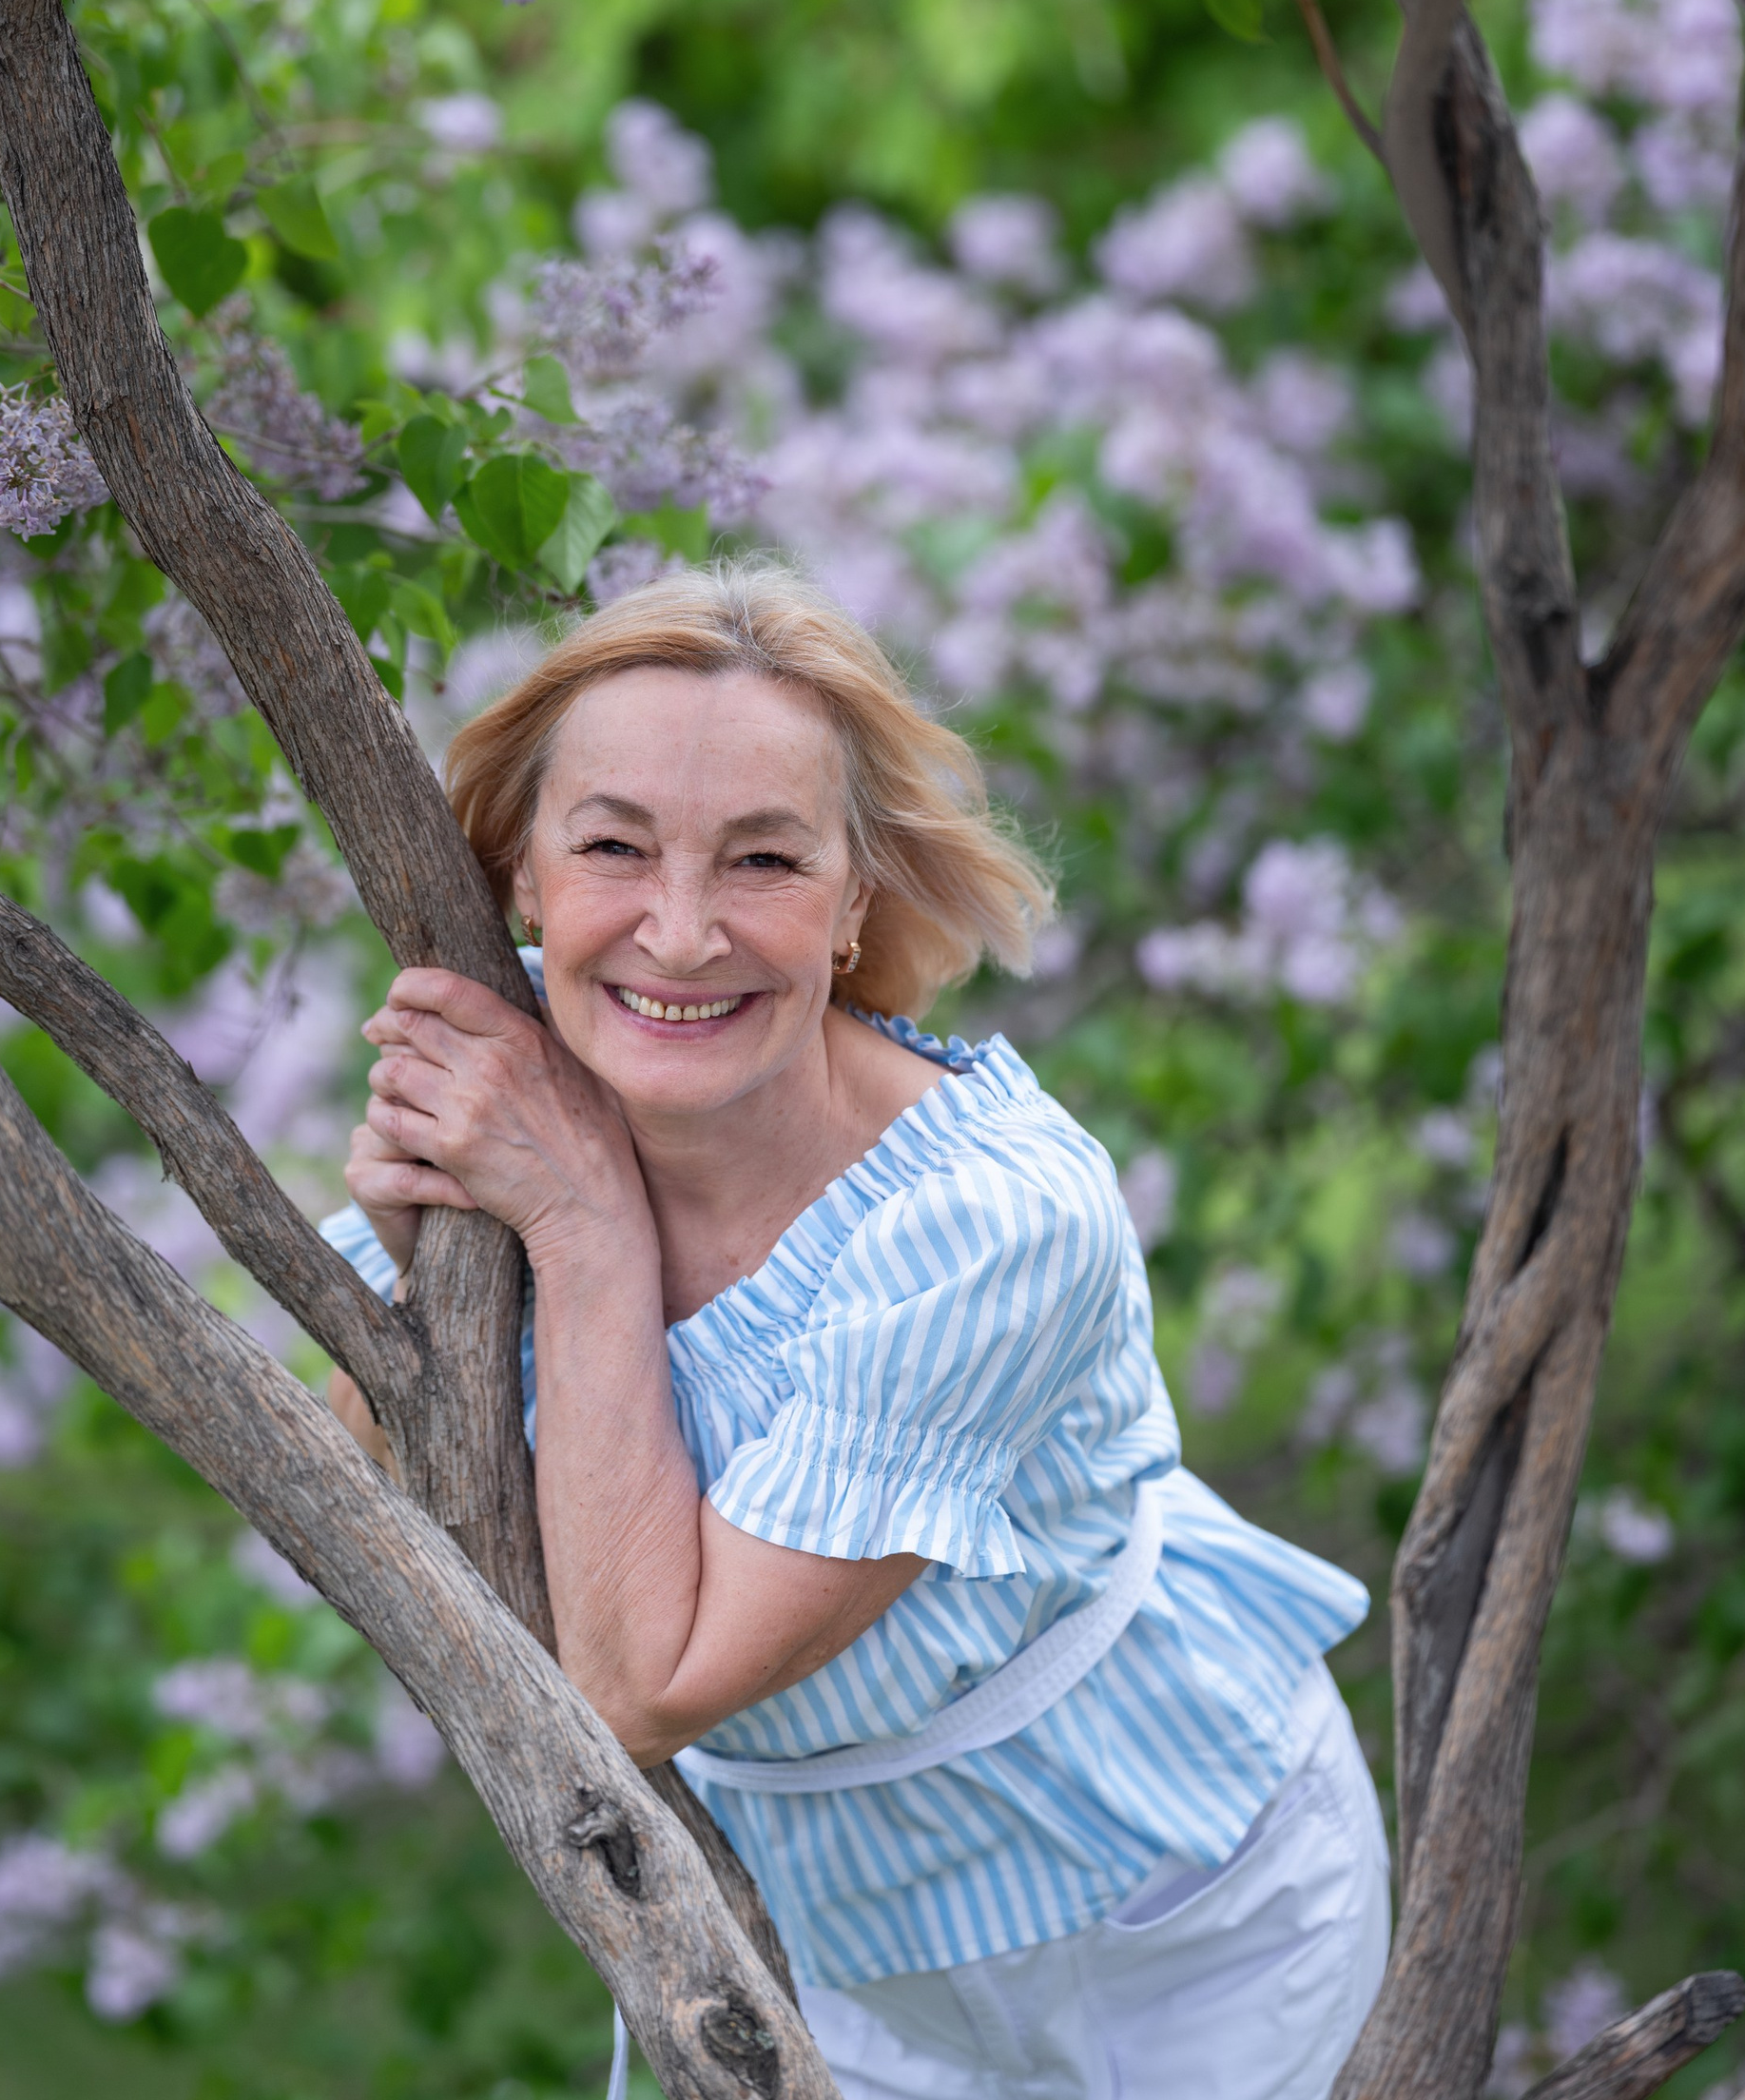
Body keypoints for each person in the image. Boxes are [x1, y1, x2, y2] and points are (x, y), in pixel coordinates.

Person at [322, 561, 1388, 2100]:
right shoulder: (515, 1121)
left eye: (762, 860)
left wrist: (591, 1235)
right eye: (614, 846)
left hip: (1179, 1910)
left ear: (852, 906)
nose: (680, 935)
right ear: (524, 880)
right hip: (817, 1946)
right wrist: (429, 1254)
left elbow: (637, 1687)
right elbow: (382, 1501)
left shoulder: (990, 1223)